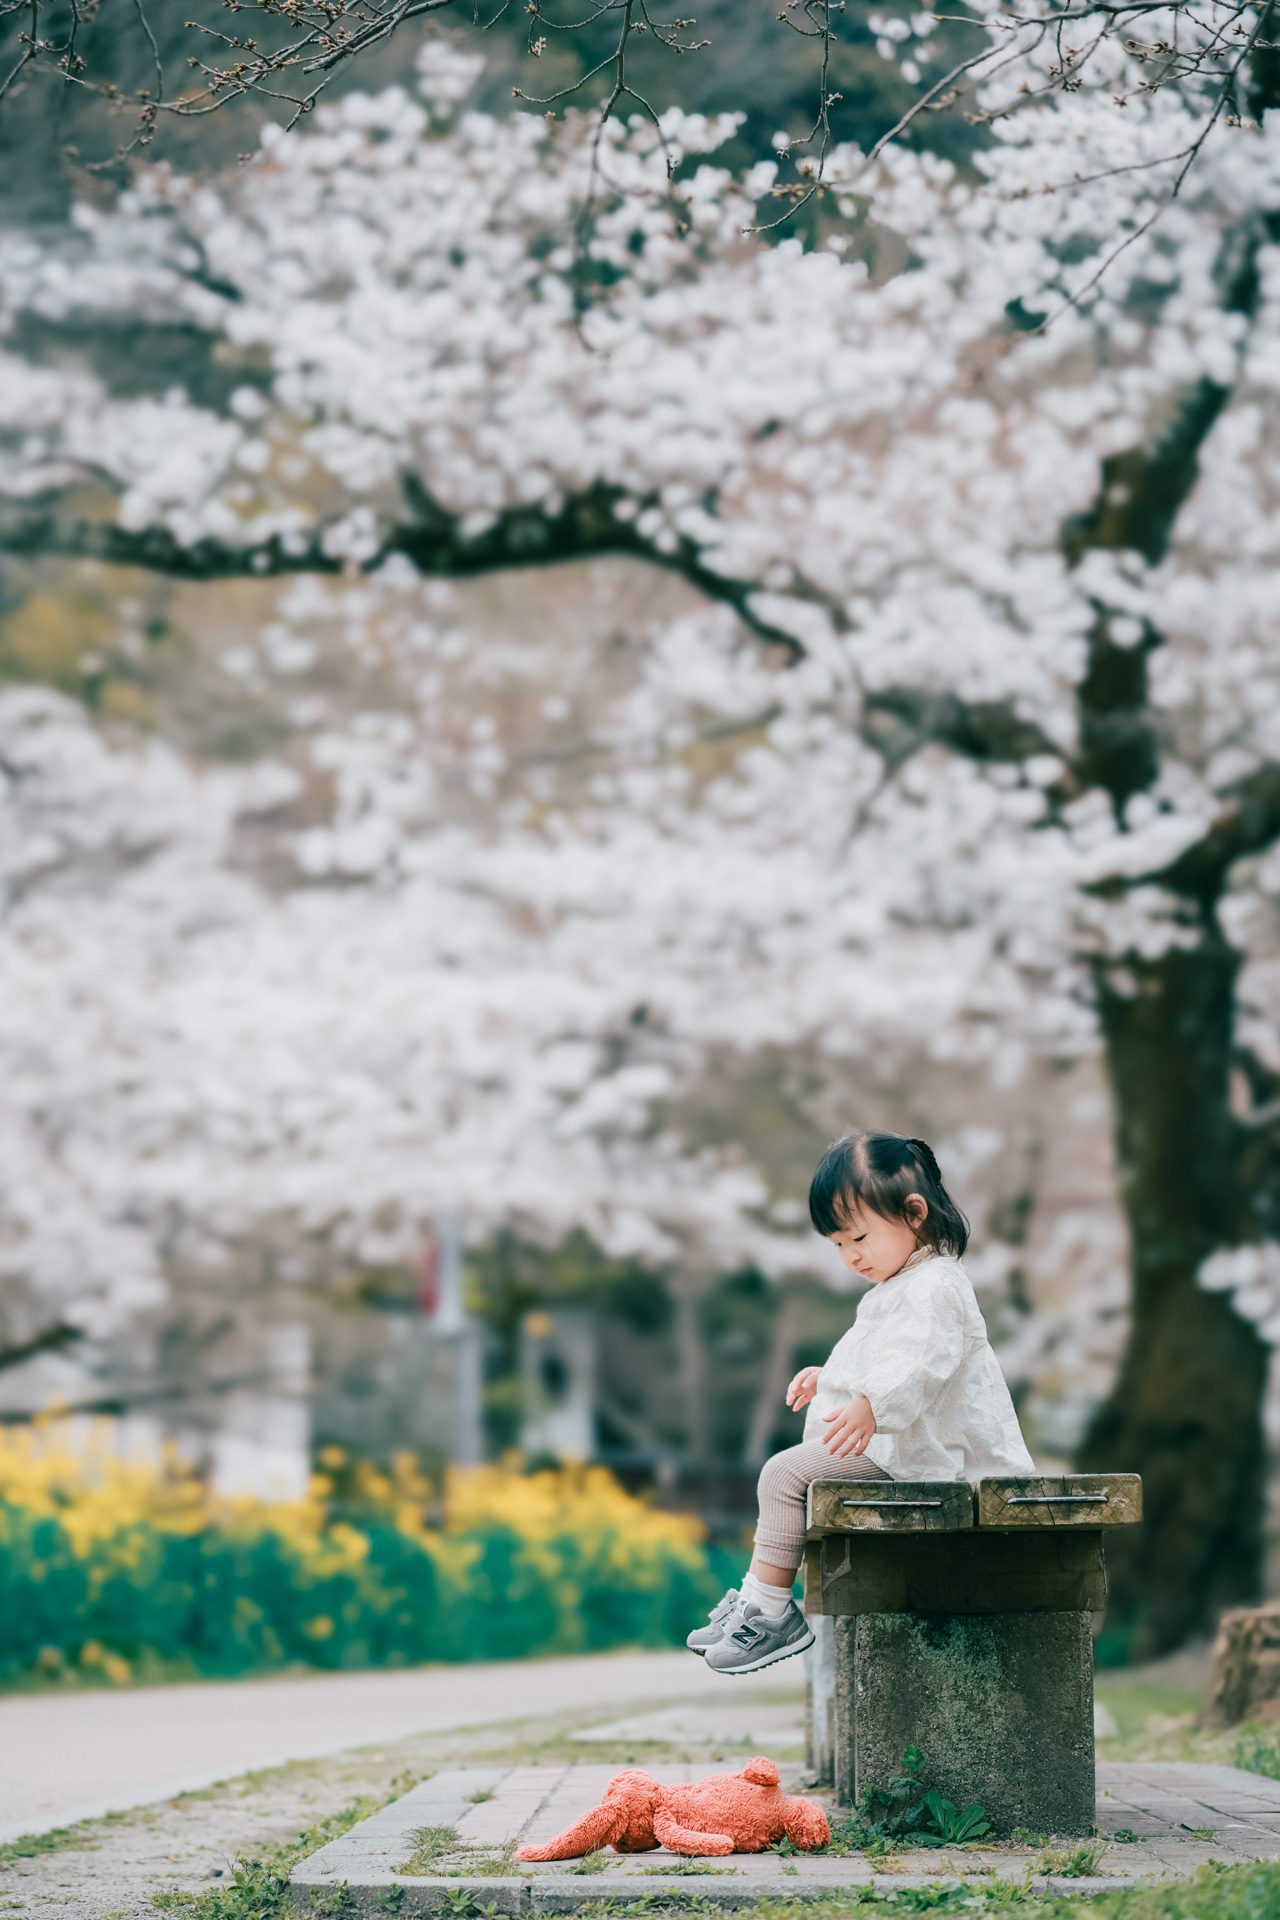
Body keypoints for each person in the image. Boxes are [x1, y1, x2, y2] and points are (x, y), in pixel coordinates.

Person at [689, 1127, 1035, 1675]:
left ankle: (770, 1612)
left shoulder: (937, 1285)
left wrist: (873, 1402)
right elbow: (885, 1358)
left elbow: (921, 1366)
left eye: (859, 1237)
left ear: (914, 1212)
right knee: (785, 1477)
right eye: (838, 1246)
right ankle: (758, 1599)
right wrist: (830, 1378)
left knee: (782, 1475)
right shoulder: (898, 1287)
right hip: (901, 1449)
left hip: (929, 1456)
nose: (851, 1256)